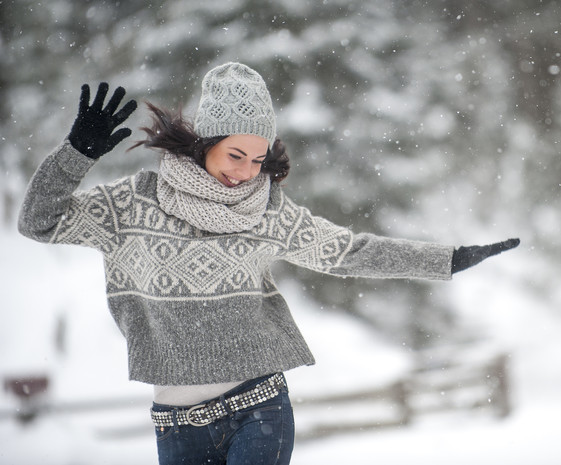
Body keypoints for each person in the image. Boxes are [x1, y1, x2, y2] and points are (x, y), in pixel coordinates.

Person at [18, 62, 519, 465]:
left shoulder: (266, 211)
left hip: (258, 408)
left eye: (258, 160)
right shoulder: (132, 204)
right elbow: (37, 222)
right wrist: (75, 155)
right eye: (236, 155)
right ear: (206, 142)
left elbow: (348, 252)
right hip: (175, 424)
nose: (246, 173)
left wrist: (446, 259)